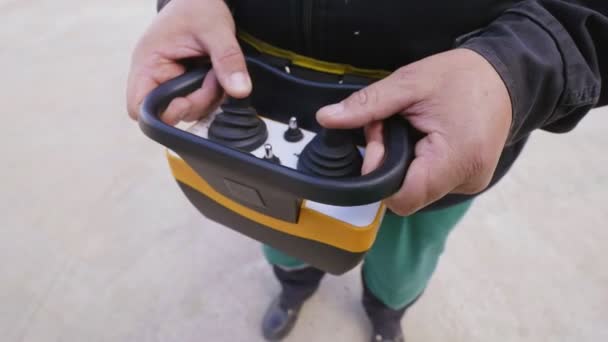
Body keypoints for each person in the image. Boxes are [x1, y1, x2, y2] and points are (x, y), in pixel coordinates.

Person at [126, 1, 608, 341]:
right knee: (282, 231)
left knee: (406, 252)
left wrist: (515, 68)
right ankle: (294, 287)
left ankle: (386, 312)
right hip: (255, 115)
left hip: (439, 132)